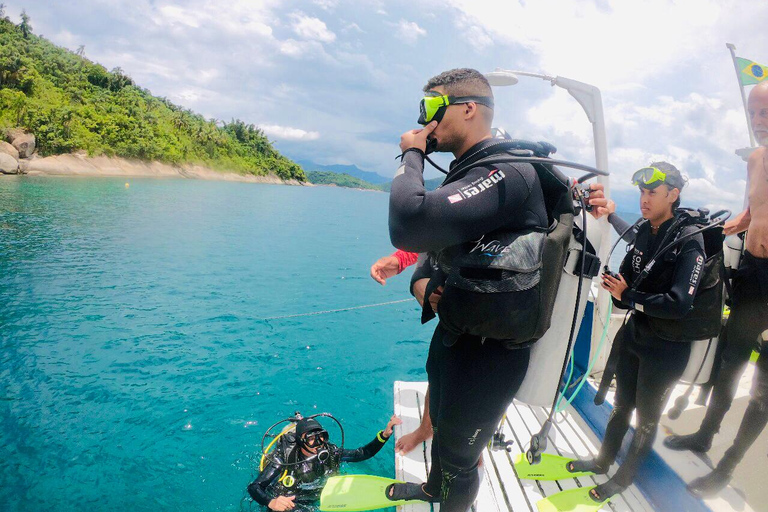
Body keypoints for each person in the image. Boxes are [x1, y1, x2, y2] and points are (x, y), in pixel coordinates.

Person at [386, 68, 606, 512]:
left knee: (460, 459)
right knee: (444, 434)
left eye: (431, 108)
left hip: (491, 356)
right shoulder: (470, 175)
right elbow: (445, 248)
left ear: (469, 109)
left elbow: (409, 223)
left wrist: (412, 154)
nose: (423, 121)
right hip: (456, 335)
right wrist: (426, 287)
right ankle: (432, 490)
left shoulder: (506, 173)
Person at [566, 162, 720, 505]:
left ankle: (625, 476)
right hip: (637, 335)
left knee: (647, 418)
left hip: (667, 347)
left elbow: (680, 303)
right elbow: (631, 277)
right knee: (622, 406)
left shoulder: (689, 240)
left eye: (652, 192)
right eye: (641, 192)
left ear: (673, 195)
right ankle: (604, 460)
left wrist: (629, 296)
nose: (644, 199)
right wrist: (619, 289)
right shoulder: (646, 230)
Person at [666, 81, 768, 497]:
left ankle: (727, 467)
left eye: (767, 112)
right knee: (729, 363)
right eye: (755, 113)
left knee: (764, 385)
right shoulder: (757, 159)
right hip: (752, 270)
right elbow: (750, 213)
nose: (759, 122)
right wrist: (704, 234)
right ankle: (705, 436)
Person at [247, 415, 400, 511]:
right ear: (301, 441)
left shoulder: (330, 452)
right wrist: (271, 502)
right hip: (292, 503)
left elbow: (362, 454)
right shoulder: (285, 460)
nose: (318, 443)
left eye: (321, 437)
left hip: (323, 498)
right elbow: (255, 487)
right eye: (311, 439)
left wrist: (384, 435)